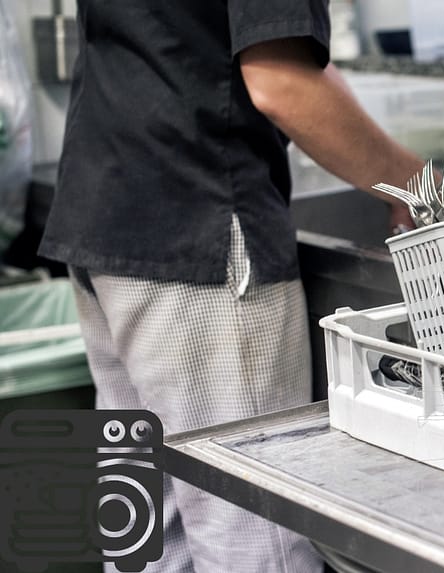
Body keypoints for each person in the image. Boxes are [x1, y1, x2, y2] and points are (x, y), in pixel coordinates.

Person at [38, 2, 423, 571]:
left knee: (147, 532)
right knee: (255, 534)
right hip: (198, 231)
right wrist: (415, 182)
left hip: (105, 219)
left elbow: (281, 55)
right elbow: (280, 85)